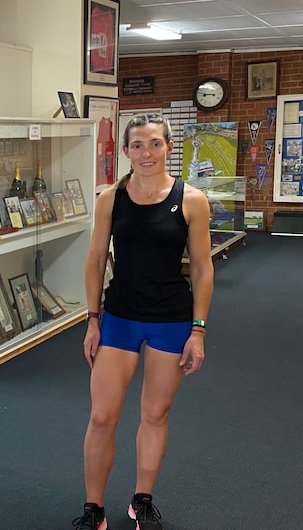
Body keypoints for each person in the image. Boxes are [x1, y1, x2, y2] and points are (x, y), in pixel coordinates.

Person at [74, 115, 213, 530]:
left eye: (154, 144)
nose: (146, 153)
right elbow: (96, 260)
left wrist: (199, 330)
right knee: (102, 417)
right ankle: (94, 509)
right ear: (126, 151)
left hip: (171, 320)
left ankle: (141, 501)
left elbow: (203, 269)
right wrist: (93, 320)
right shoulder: (110, 199)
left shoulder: (192, 200)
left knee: (155, 414)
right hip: (119, 317)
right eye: (137, 145)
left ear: (169, 146)